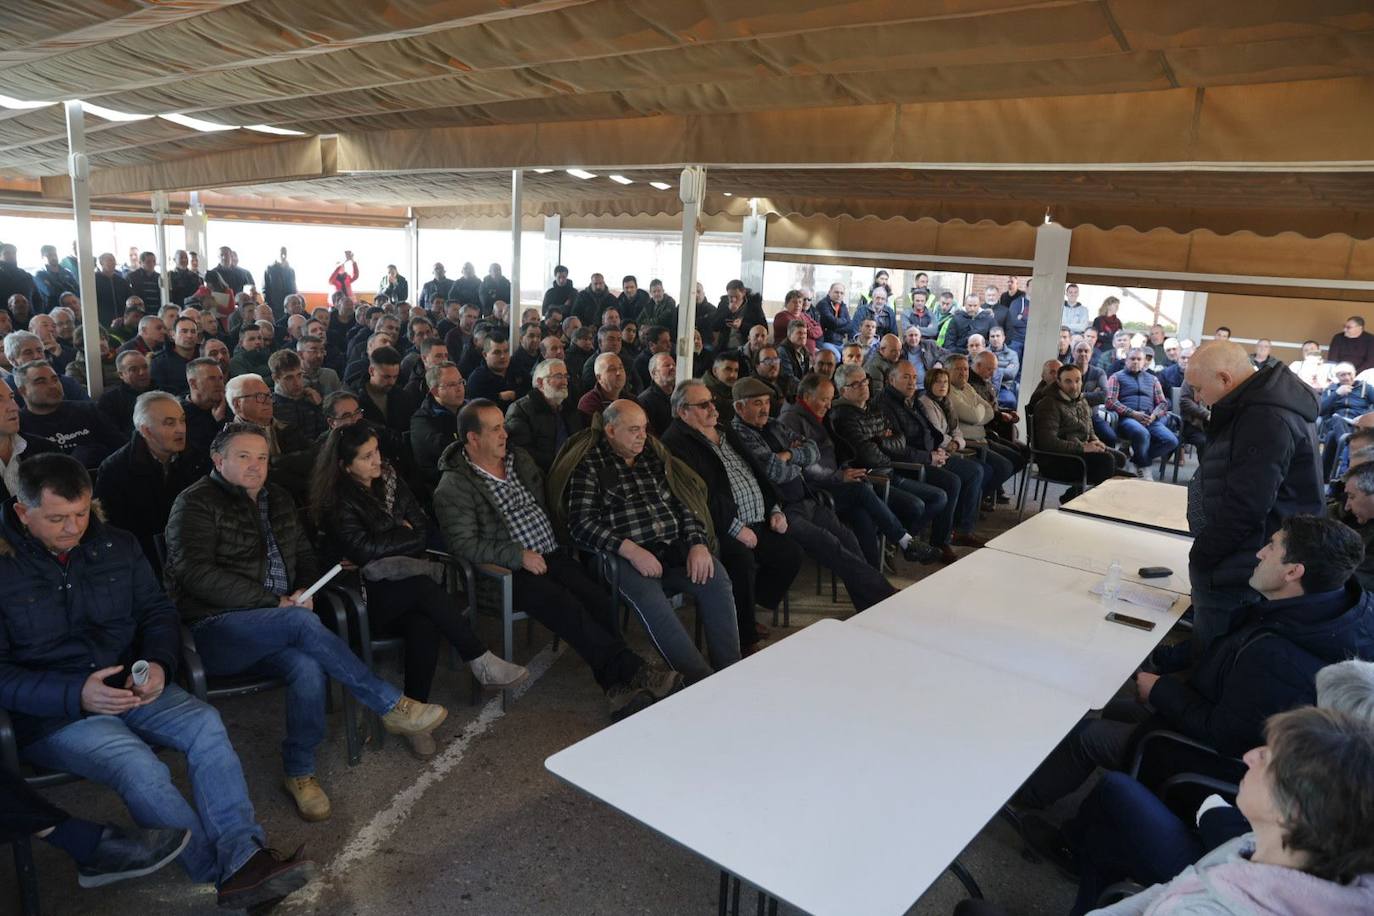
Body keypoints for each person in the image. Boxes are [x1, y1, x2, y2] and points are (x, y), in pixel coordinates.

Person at [0, 454, 317, 909]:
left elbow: (157, 613)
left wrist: (158, 663)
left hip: (134, 684)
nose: (73, 528)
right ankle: (223, 873)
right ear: (21, 512)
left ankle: (244, 857)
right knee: (137, 764)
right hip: (54, 712)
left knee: (206, 725)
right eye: (57, 518)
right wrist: (76, 693)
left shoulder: (116, 544)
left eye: (81, 514)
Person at [164, 423, 450, 820]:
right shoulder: (194, 503)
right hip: (217, 629)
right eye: (243, 457)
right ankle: (390, 704)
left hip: (280, 620)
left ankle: (300, 772)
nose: (255, 466)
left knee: (308, 665)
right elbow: (195, 574)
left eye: (262, 458)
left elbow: (304, 556)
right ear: (218, 460)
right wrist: (274, 602)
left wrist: (306, 589)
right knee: (300, 626)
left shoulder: (277, 498)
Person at [1017, 514, 1374, 815]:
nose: (1260, 552)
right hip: (1226, 722)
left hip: (1218, 760)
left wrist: (1161, 690)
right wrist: (1165, 662)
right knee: (1107, 705)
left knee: (1087, 735)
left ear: (1293, 571)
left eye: (1273, 547)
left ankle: (1028, 808)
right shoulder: (1328, 612)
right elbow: (1229, 650)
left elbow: (1225, 735)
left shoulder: (1279, 655)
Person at [436, 400, 681, 719]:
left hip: (551, 554)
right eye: (495, 428)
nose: (504, 434)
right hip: (506, 572)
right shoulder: (454, 485)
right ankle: (634, 674)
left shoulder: (517, 460)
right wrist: (517, 555)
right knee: (566, 606)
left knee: (597, 597)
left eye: (503, 426)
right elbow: (462, 543)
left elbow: (549, 500)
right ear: (472, 438)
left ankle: (618, 687)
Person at [310, 423, 526, 758]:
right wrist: (400, 533)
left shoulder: (391, 479)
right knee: (424, 590)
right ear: (344, 465)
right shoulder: (336, 501)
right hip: (360, 600)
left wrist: (394, 538)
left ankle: (417, 716)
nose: (377, 461)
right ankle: (480, 660)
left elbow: (423, 530)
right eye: (366, 457)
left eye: (376, 451)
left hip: (400, 589)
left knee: (424, 621)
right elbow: (365, 551)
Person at [1084, 705, 1374, 916]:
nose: (1249, 757)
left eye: (1267, 757)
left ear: (1293, 811)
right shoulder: (1255, 846)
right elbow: (1176, 885)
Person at [550, 400, 740, 683]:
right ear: (611, 430)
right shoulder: (590, 465)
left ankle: (731, 673)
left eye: (645, 428)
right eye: (634, 430)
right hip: (620, 558)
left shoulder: (653, 456)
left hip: (672, 547)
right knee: (651, 599)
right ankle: (699, 680)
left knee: (716, 577)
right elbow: (581, 525)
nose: (643, 435)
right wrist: (632, 550)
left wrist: (698, 543)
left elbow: (684, 504)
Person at [1186, 341, 1324, 647]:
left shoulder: (1264, 418)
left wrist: (1204, 555)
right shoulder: (1259, 404)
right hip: (1247, 548)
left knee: (1217, 650)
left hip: (1247, 557)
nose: (1198, 398)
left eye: (1198, 388)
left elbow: (1246, 506)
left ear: (1224, 379)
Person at [729, 377, 897, 610]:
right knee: (831, 546)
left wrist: (787, 456)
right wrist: (795, 459)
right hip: (780, 511)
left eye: (767, 402)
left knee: (848, 539)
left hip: (806, 499)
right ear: (739, 407)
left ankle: (868, 604)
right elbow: (773, 472)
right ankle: (885, 597)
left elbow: (812, 450)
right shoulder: (739, 435)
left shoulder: (773, 425)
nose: (765, 409)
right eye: (757, 403)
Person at [663, 381, 803, 655]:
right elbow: (699, 496)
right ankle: (745, 636)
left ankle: (744, 611)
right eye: (703, 405)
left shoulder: (725, 431)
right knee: (741, 560)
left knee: (791, 554)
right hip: (719, 526)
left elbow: (756, 471)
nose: (713, 408)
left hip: (757, 519)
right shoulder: (676, 443)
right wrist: (735, 528)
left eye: (712, 401)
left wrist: (774, 508)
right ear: (683, 412)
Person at [779, 373, 942, 568]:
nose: (829, 406)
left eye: (830, 400)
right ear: (806, 397)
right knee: (862, 491)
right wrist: (840, 476)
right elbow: (804, 466)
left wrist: (846, 471)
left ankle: (873, 576)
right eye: (824, 400)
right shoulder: (792, 420)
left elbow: (837, 454)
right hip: (814, 490)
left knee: (862, 514)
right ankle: (906, 542)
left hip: (833, 481)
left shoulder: (820, 415)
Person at [828, 364, 947, 562]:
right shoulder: (842, 416)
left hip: (890, 471)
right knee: (916, 505)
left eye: (865, 381)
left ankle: (894, 544)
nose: (864, 386)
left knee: (939, 497)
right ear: (843, 391)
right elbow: (867, 456)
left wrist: (880, 441)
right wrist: (886, 446)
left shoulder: (874, 408)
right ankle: (903, 543)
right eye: (856, 384)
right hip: (873, 478)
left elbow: (901, 440)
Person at [878, 361, 986, 560]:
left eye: (913, 377)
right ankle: (936, 540)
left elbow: (931, 431)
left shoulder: (912, 400)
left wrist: (939, 449)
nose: (912, 382)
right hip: (911, 463)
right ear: (891, 380)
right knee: (951, 482)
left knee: (975, 470)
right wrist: (929, 457)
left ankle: (960, 529)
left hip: (931, 454)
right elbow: (896, 448)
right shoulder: (885, 405)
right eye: (905, 377)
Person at [93, 391, 199, 576]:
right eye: (169, 423)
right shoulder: (116, 469)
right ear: (146, 430)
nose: (180, 429)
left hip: (194, 549)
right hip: (144, 560)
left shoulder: (197, 457)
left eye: (182, 420)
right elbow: (116, 530)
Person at [1033, 364, 1127, 499]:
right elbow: (1048, 443)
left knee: (1120, 458)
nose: (1074, 386)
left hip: (1078, 454)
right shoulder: (1048, 404)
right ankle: (1079, 499)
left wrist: (1095, 441)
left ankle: (1074, 495)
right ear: (1058, 382)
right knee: (1107, 462)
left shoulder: (1081, 400)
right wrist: (1083, 447)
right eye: (1068, 381)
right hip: (1055, 460)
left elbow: (1089, 429)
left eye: (1077, 380)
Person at [16, 360, 123, 467]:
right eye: (41, 382)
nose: (53, 386)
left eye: (55, 379)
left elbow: (121, 448)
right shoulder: (18, 425)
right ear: (23, 391)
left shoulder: (88, 411)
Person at [943, 354, 1016, 501]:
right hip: (968, 442)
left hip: (981, 438)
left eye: (965, 369)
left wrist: (978, 412)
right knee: (1003, 467)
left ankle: (977, 498)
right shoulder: (948, 391)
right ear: (947, 371)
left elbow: (989, 410)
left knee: (1015, 458)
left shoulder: (968, 387)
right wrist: (978, 412)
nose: (963, 373)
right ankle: (975, 500)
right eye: (958, 369)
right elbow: (974, 416)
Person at [1105, 348, 1179, 475]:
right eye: (1132, 359)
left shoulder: (1153, 379)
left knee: (1171, 441)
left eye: (1139, 359)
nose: (1135, 362)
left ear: (1145, 362)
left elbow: (1163, 402)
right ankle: (1145, 468)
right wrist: (1132, 413)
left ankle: (1137, 460)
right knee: (1142, 433)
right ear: (1126, 361)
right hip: (1127, 418)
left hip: (1149, 418)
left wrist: (1154, 416)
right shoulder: (1116, 377)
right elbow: (1110, 401)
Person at [506, 357, 585, 473]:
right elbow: (523, 454)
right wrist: (562, 464)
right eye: (558, 376)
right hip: (542, 474)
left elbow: (580, 441)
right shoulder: (520, 410)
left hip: (574, 469)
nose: (565, 382)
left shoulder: (569, 408)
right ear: (540, 382)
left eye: (565, 376)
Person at [409, 361, 464, 489]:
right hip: (442, 483)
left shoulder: (467, 408)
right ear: (435, 391)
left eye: (461, 382)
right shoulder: (422, 420)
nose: (459, 388)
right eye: (451, 384)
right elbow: (448, 452)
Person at [1319, 362, 1374, 479]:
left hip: (1358, 425)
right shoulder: (1331, 390)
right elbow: (1320, 410)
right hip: (1336, 423)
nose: (1347, 377)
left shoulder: (1365, 388)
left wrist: (1363, 418)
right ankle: (1346, 446)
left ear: (1355, 374)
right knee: (1336, 420)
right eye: (1342, 375)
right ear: (1337, 377)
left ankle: (1324, 477)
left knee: (1332, 436)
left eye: (1349, 374)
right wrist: (1337, 394)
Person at [97, 350, 153, 435]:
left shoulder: (165, 393)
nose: (142, 372)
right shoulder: (110, 400)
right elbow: (110, 434)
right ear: (121, 375)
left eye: (145, 367)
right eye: (133, 369)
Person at [577, 351, 628, 418]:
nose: (619, 373)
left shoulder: (630, 399)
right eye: (612, 369)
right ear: (599, 378)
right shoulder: (589, 403)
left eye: (621, 367)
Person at [815, 281, 852, 354]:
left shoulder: (842, 306)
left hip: (840, 342)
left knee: (848, 356)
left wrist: (831, 328)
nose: (839, 295)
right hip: (825, 341)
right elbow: (834, 322)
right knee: (837, 357)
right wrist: (844, 321)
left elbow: (850, 327)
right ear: (829, 292)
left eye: (841, 293)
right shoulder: (823, 304)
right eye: (836, 292)